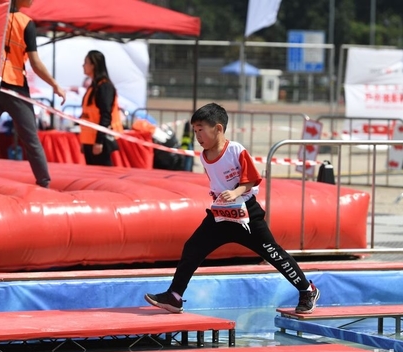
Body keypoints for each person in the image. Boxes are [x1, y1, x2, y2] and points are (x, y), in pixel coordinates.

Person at [144, 103, 320, 314]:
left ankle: (307, 290)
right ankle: (175, 296)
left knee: (273, 253)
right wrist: (219, 196)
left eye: (201, 130)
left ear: (218, 128)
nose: (197, 136)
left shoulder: (236, 150)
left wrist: (236, 192)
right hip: (221, 214)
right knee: (193, 248)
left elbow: (252, 179)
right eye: (195, 131)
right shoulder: (204, 156)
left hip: (247, 214)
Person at [0, 0, 66, 188]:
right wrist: (55, 85)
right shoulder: (26, 23)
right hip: (15, 88)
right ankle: (44, 182)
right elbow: (35, 63)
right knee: (31, 139)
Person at [79, 50, 123, 166]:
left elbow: (106, 115)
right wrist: (84, 141)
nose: (83, 65)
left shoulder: (104, 87)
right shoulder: (93, 86)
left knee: (104, 174)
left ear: (93, 65)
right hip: (89, 140)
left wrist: (99, 141)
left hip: (100, 142)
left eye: (86, 62)